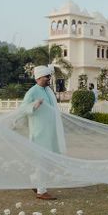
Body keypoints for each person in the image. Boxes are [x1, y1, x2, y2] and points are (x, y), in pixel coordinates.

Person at [17, 65, 66, 200]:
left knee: (50, 161)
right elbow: (22, 109)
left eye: (49, 76)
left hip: (50, 132)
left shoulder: (48, 91)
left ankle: (35, 182)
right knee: (42, 161)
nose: (49, 79)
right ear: (38, 78)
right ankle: (41, 190)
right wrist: (34, 105)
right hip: (39, 133)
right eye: (46, 76)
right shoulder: (32, 92)